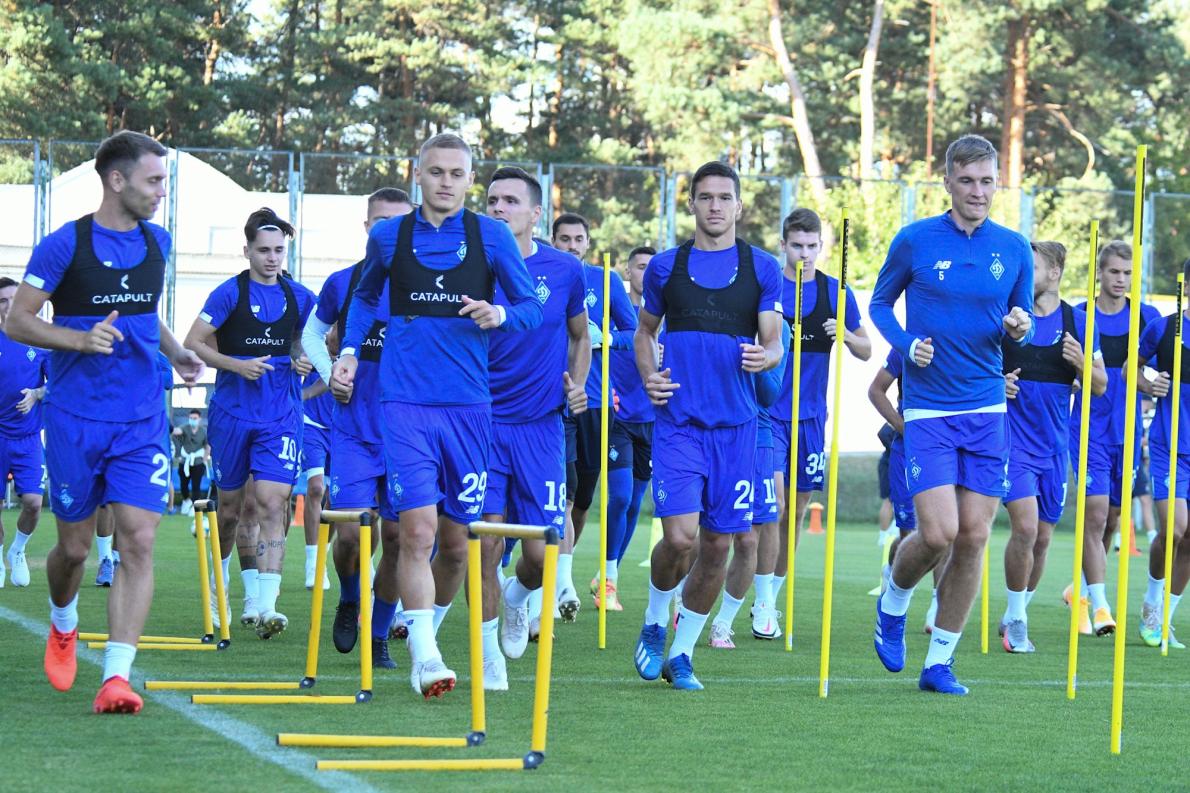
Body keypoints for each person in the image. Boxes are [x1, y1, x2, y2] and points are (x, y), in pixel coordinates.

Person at [332, 133, 543, 699]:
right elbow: (364, 299)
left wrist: (500, 314)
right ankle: (425, 657)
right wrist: (349, 351)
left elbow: (531, 308)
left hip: (470, 409)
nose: (446, 182)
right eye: (435, 171)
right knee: (416, 531)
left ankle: (427, 630)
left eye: (456, 173)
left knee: (455, 545)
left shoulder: (492, 236)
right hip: (404, 405)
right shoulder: (389, 236)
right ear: (417, 174)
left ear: (470, 180)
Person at [6, 130, 204, 713]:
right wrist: (78, 339)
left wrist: (176, 351)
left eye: (165, 181)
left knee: (138, 537)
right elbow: (18, 321)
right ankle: (63, 621)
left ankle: (117, 676)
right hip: (74, 419)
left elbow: (142, 314)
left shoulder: (158, 241)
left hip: (140, 417)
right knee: (72, 549)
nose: (162, 192)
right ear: (117, 180)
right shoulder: (63, 246)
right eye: (153, 180)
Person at [868, 134, 1034, 696]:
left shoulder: (1014, 247)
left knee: (974, 536)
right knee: (938, 533)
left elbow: (1023, 319)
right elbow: (878, 304)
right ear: (947, 182)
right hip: (929, 409)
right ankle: (894, 600)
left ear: (997, 183)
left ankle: (939, 662)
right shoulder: (915, 240)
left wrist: (1021, 327)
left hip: (987, 407)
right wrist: (906, 343)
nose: (977, 191)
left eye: (987, 181)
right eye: (967, 180)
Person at [632, 160, 783, 690]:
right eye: (705, 197)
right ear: (691, 204)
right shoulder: (665, 268)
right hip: (679, 423)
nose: (715, 205)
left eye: (724, 197)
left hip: (737, 429)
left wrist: (767, 356)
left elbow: (774, 340)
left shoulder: (762, 267)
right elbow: (644, 333)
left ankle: (682, 653)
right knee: (680, 538)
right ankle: (656, 618)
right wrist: (649, 376)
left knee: (719, 545)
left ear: (738, 206)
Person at [184, 207, 315, 639]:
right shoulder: (228, 293)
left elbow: (315, 339)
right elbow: (193, 342)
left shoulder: (300, 297)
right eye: (264, 251)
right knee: (230, 511)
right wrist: (236, 365)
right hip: (232, 413)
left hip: (280, 414)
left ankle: (267, 604)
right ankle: (220, 588)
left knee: (273, 503)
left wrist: (303, 358)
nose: (272, 258)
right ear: (247, 251)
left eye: (279, 250)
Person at [481, 167, 590, 689]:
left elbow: (580, 336)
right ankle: (488, 657)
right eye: (492, 200)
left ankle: (516, 596)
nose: (499, 209)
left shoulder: (565, 269)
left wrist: (577, 384)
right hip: (481, 425)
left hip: (542, 428)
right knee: (483, 544)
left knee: (541, 555)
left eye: (510, 201)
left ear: (535, 213)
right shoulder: (471, 266)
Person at [302, 187, 413, 667]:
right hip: (353, 429)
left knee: (399, 540)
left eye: (399, 223)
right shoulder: (344, 281)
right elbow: (311, 333)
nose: (389, 231)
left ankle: (380, 632)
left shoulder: (427, 285)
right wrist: (331, 374)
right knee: (349, 534)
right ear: (367, 228)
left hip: (409, 434)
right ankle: (350, 598)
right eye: (380, 222)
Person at [753, 207, 870, 640]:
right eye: (797, 246)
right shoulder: (767, 285)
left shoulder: (835, 291)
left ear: (822, 246)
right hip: (768, 414)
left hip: (812, 419)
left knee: (797, 511)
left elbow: (866, 349)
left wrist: (845, 333)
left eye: (812, 246)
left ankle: (770, 597)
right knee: (774, 506)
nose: (804, 254)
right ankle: (760, 598)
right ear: (783, 245)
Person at [999, 241, 1105, 653]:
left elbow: (1101, 385)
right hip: (1013, 445)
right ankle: (1017, 622)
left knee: (1043, 539)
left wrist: (1081, 363)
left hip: (1055, 449)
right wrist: (998, 384)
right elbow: (980, 370)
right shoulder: (1010, 320)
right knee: (1025, 528)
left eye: (1034, 268)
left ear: (1055, 272)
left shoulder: (1078, 322)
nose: (1025, 275)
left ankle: (1016, 611)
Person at [1065, 241, 1161, 635]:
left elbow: (1154, 370)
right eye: (1114, 272)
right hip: (1089, 429)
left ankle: (1081, 589)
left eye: (1127, 273)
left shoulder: (1146, 318)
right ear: (1099, 273)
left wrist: (1154, 385)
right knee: (1096, 514)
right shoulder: (1078, 317)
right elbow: (1060, 369)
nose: (1121, 279)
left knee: (1112, 520)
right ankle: (1101, 607)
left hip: (1129, 432)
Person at [551, 213, 637, 618]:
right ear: (553, 241)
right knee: (563, 494)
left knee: (584, 500)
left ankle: (560, 573)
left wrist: (605, 337)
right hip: (555, 400)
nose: (571, 246)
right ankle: (560, 584)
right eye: (564, 239)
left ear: (588, 243)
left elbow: (635, 333)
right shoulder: (543, 276)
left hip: (598, 403)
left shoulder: (606, 281)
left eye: (578, 239)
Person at [709, 321, 790, 648]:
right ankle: (682, 604)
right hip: (714, 429)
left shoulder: (779, 329)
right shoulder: (717, 314)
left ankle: (724, 622)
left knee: (748, 538)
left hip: (758, 435)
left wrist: (758, 355)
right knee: (708, 537)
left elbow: (769, 395)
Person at [592, 245, 657, 606]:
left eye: (653, 267)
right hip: (618, 417)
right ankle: (609, 580)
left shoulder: (666, 315)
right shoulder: (615, 312)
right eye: (641, 267)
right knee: (618, 496)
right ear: (628, 273)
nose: (648, 273)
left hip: (653, 420)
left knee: (633, 504)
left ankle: (608, 572)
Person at [1138, 258, 1190, 649]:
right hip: (1170, 445)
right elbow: (1131, 369)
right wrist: (1149, 385)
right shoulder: (1164, 328)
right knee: (1173, 529)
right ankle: (1152, 601)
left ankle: (1165, 618)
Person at [0, 275, 47, 589]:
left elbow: (58, 384)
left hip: (28, 439)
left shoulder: (39, 339)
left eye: (13, 299)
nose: (8, 306)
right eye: (2, 301)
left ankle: (17, 550)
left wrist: (37, 394)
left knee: (33, 503)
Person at [173, 409, 209, 517]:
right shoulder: (185, 427)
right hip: (185, 461)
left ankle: (195, 507)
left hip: (198, 462)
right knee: (183, 485)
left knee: (196, 486)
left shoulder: (203, 431)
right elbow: (177, 432)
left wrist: (204, 459)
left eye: (195, 418)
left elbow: (207, 446)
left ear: (199, 419)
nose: (192, 420)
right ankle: (186, 500)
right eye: (191, 418)